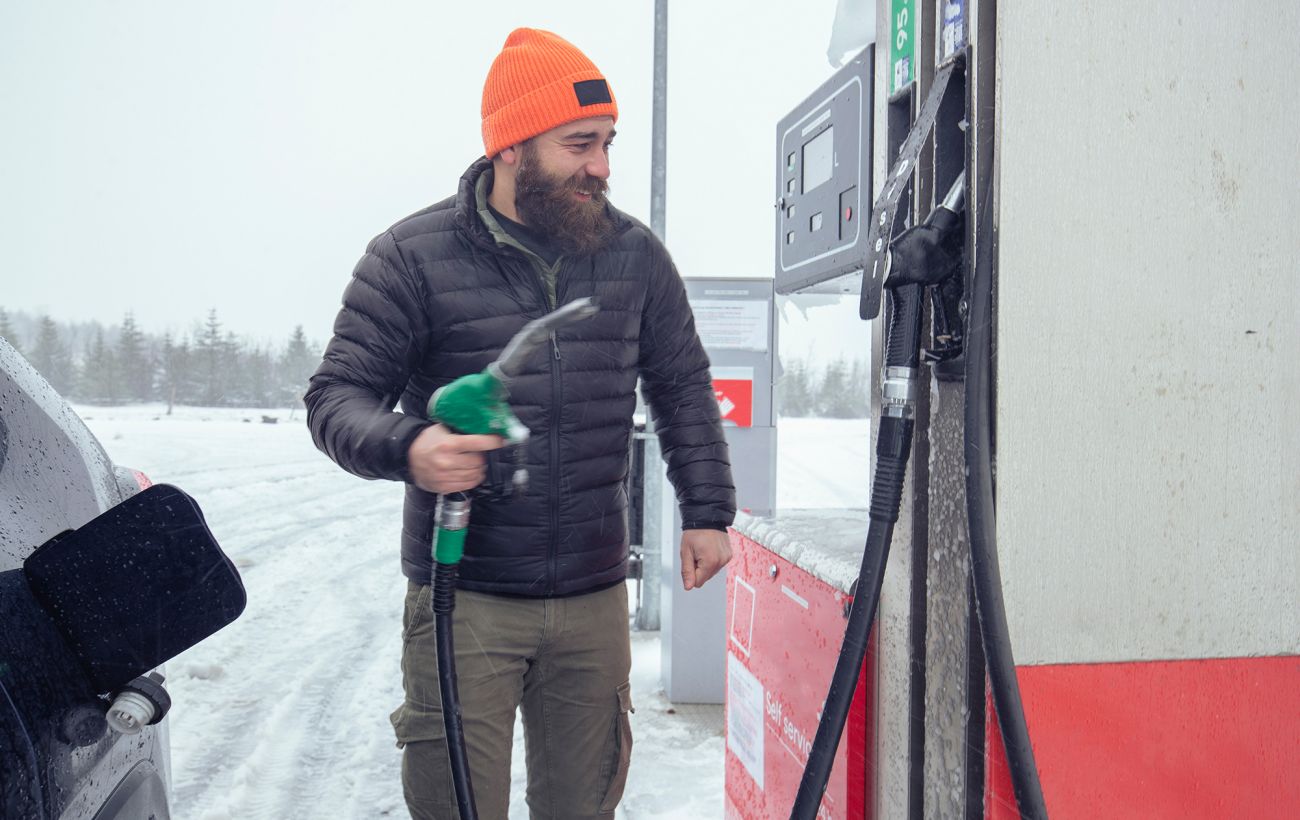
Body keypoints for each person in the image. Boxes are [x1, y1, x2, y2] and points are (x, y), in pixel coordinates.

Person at [304, 27, 736, 820]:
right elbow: (335, 398)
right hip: (465, 599)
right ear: (511, 147)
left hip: (593, 595)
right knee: (455, 804)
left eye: (607, 143)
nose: (602, 166)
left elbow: (682, 387)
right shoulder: (409, 257)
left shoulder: (635, 257)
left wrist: (707, 510)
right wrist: (412, 446)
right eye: (580, 144)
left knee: (584, 804)